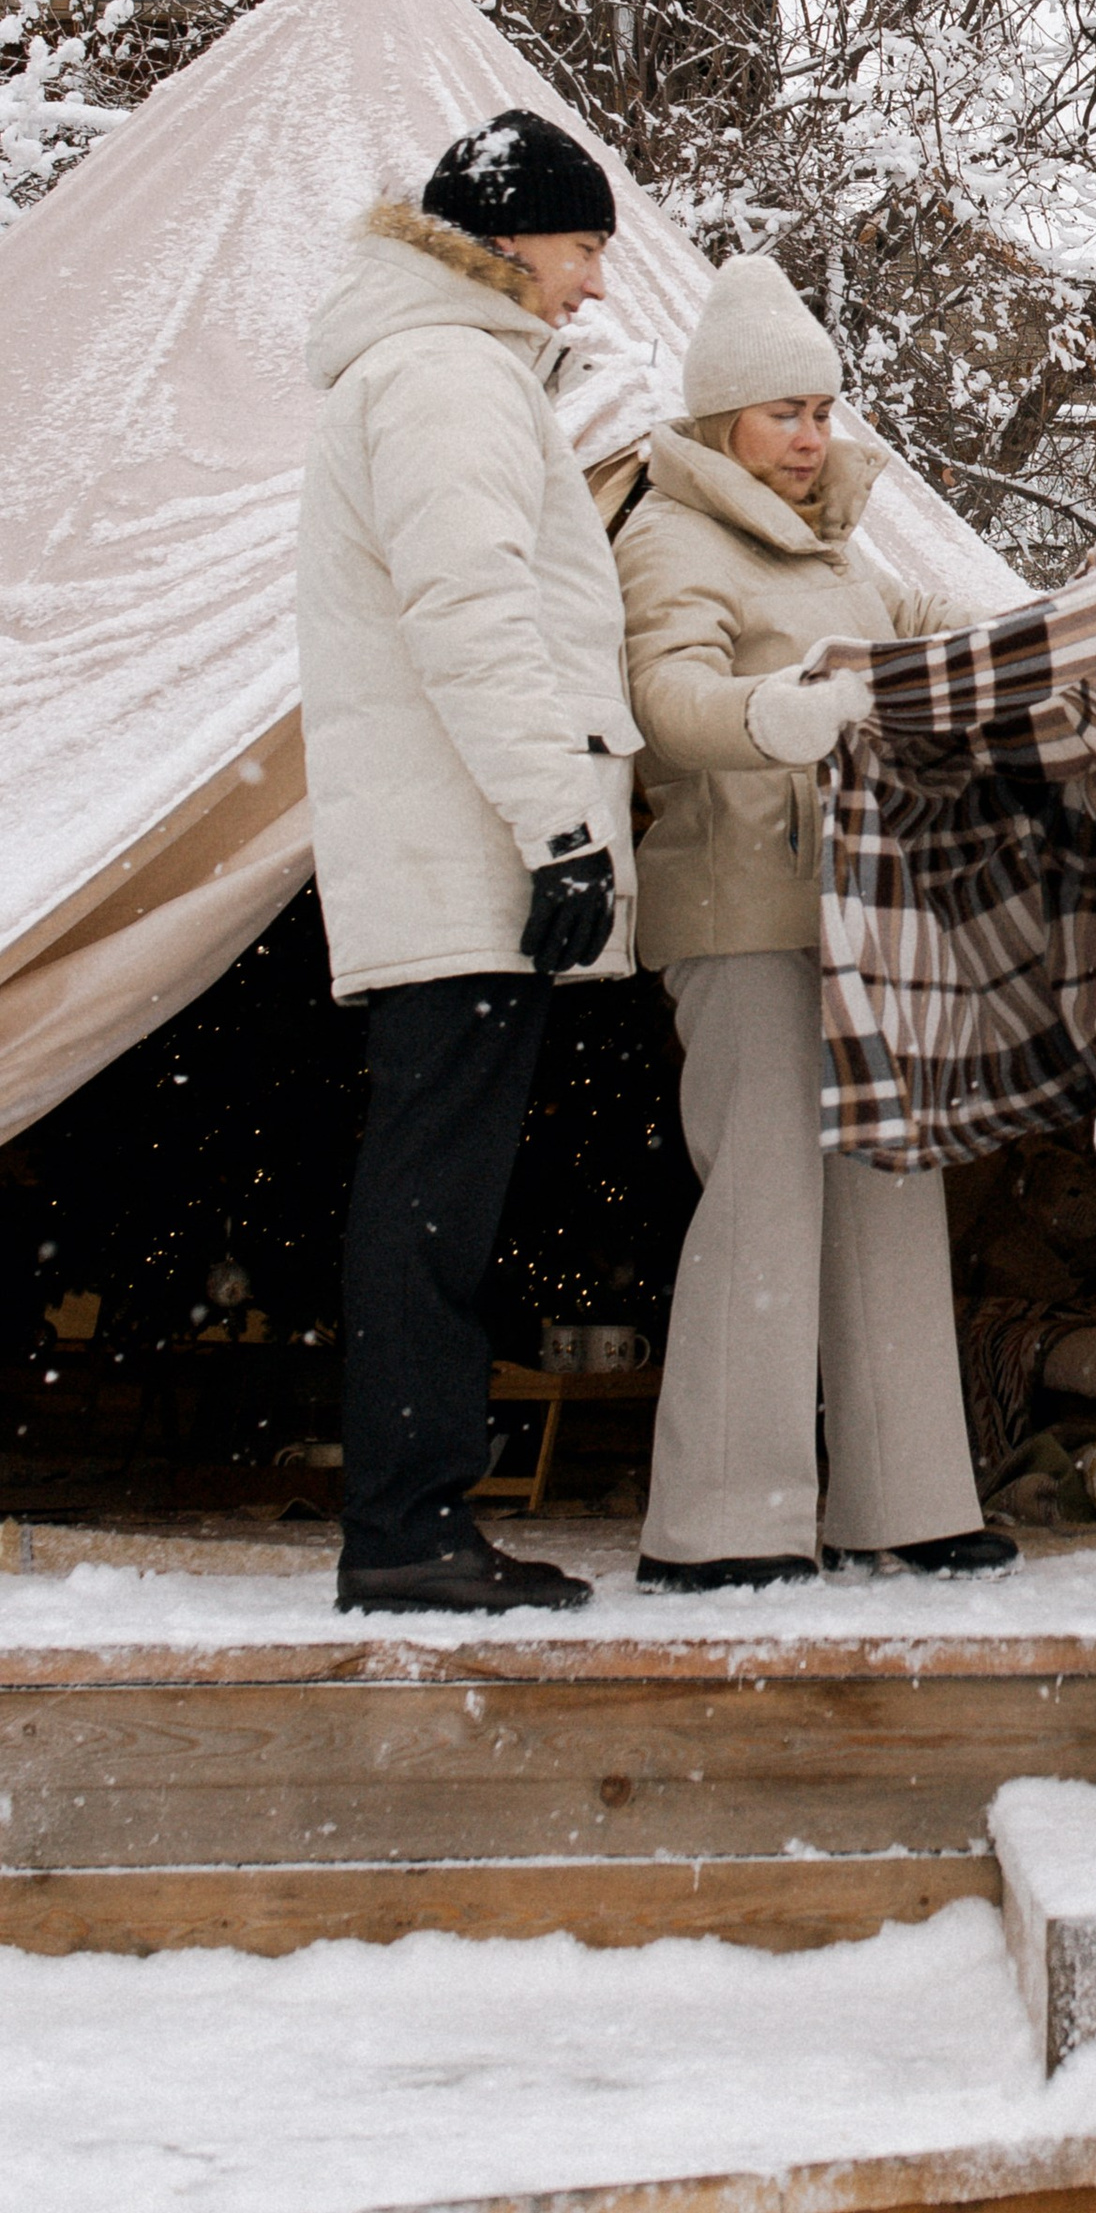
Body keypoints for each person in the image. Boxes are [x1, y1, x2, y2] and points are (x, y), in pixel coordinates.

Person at [614, 252, 1015, 1589]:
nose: (811, 433)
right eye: (785, 409)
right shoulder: (667, 536)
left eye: (823, 408)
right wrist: (772, 709)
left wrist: (1062, 624)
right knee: (767, 1196)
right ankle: (728, 1519)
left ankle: (909, 1499)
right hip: (740, 910)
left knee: (890, 1187)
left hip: (864, 916)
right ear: (724, 416)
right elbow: (665, 698)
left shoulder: (838, 548)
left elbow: (938, 631)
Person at [300, 109, 640, 1618]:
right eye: (581, 251)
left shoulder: (435, 365)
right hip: (469, 849)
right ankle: (410, 1527)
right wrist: (559, 832)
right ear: (506, 247)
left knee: (435, 1185)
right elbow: (474, 617)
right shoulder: (448, 374)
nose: (592, 286)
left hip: (450, 841)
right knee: (436, 1196)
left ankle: (415, 1512)